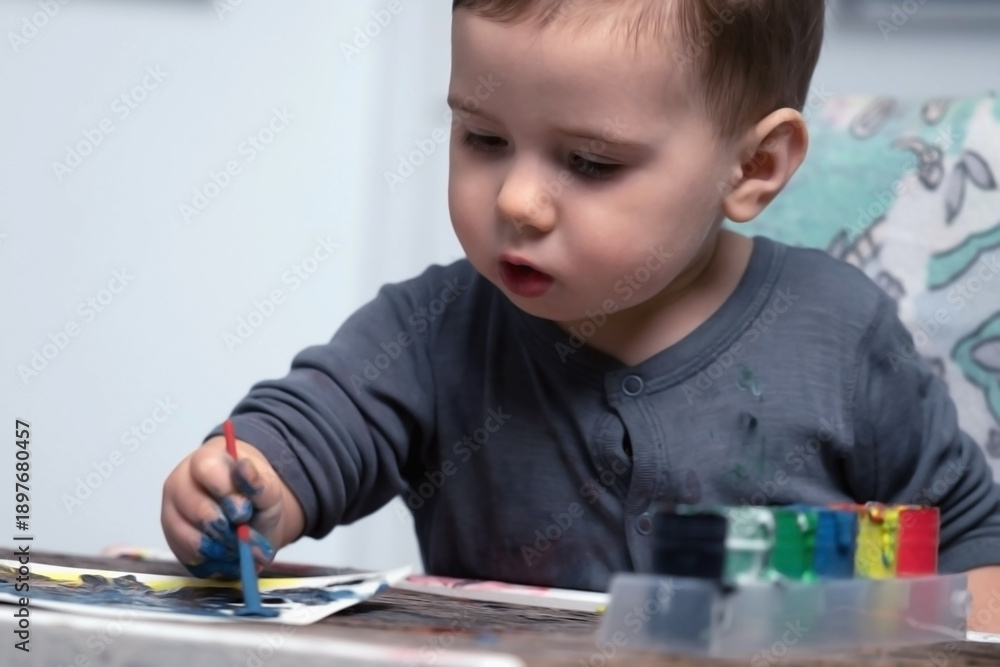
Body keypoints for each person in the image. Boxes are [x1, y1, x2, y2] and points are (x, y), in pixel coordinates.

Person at [161, 0, 1000, 611]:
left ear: (753, 168)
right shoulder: (431, 331)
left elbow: (970, 542)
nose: (517, 201)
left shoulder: (841, 335)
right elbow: (318, 425)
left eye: (591, 162)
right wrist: (250, 486)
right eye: (484, 138)